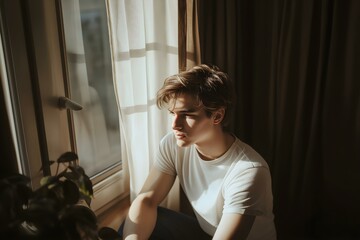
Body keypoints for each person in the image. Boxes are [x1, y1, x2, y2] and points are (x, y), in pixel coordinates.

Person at [120, 64, 277, 240]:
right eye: (173, 113)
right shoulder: (172, 144)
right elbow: (147, 200)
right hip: (206, 233)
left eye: (187, 114)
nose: (175, 125)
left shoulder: (249, 171)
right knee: (134, 225)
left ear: (217, 116)